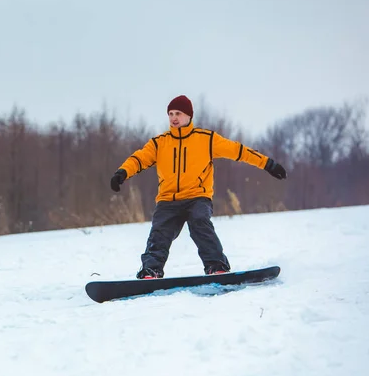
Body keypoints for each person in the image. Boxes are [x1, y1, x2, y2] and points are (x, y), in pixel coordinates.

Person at [110, 95, 287, 279]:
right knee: (159, 232)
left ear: (188, 116)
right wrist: (122, 173)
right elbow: (139, 159)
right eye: (170, 114)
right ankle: (151, 270)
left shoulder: (206, 139)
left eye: (178, 113)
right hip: (168, 200)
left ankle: (216, 266)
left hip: (197, 197)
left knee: (199, 220)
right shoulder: (159, 143)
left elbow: (238, 151)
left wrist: (268, 164)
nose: (173, 117)